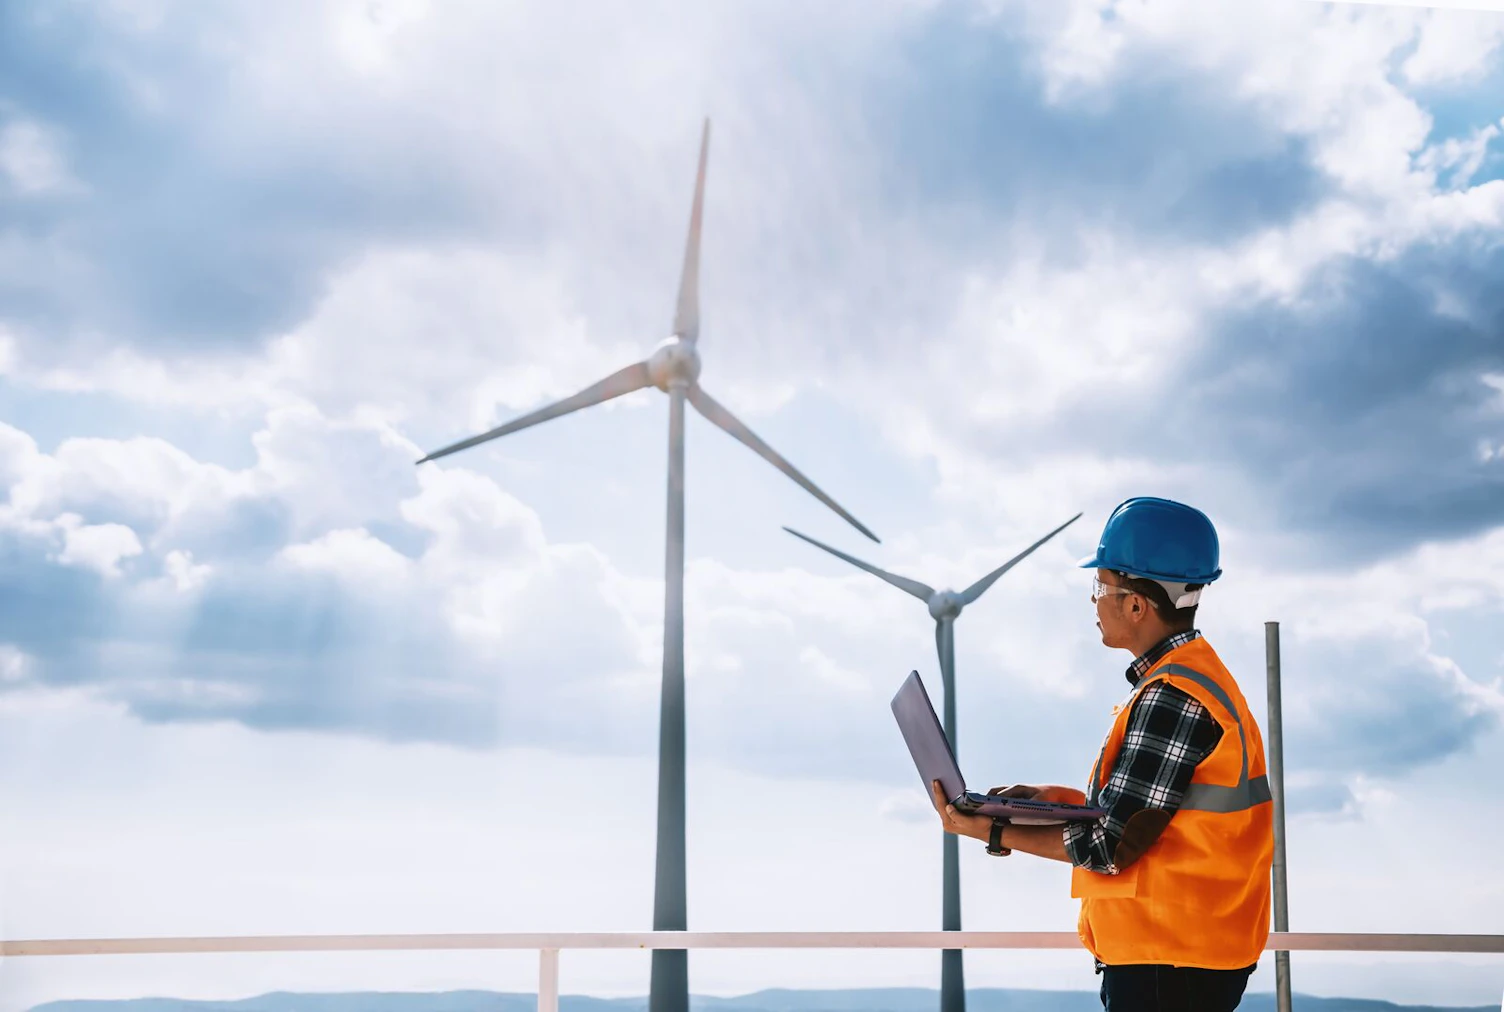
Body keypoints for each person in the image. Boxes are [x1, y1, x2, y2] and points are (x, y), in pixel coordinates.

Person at [931, 497, 1274, 1012]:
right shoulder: (1194, 682)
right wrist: (1053, 800)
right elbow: (1154, 815)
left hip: (1170, 963)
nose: (1094, 602)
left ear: (1136, 604)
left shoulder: (1172, 697)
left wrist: (992, 830)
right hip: (1189, 954)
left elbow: (1111, 846)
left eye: (1101, 587)